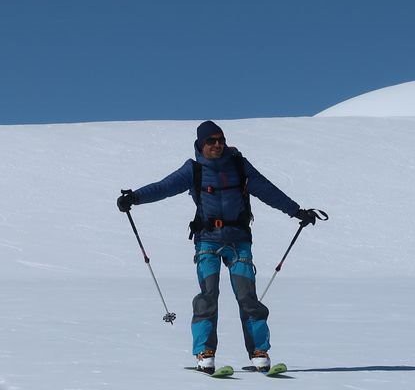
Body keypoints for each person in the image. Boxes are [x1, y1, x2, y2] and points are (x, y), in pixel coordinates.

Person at [117, 121, 320, 374]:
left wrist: (296, 211)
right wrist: (134, 197)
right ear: (201, 144)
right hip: (207, 241)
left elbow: (267, 190)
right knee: (208, 296)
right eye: (211, 141)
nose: (217, 145)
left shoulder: (239, 166)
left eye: (220, 140)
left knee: (247, 297)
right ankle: (205, 352)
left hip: (239, 240)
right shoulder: (193, 170)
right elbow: (164, 187)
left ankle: (260, 352)